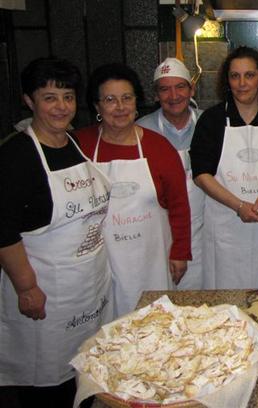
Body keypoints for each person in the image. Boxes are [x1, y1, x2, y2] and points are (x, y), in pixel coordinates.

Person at [0, 57, 111, 407]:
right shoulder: (17, 156)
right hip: (46, 293)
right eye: (49, 98)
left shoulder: (74, 144)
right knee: (50, 385)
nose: (61, 107)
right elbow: (3, 230)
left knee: (85, 373)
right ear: (29, 101)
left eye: (67, 96)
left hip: (87, 289)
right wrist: (27, 286)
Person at [76, 63, 191, 317]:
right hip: (100, 258)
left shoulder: (159, 148)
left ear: (136, 102)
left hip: (150, 258)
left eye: (127, 98)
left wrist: (180, 252)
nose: (120, 107)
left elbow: (179, 206)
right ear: (97, 106)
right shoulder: (79, 146)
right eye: (110, 99)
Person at [190, 46, 258, 289]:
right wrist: (238, 205)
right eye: (235, 76)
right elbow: (201, 174)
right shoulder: (212, 120)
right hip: (226, 226)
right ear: (227, 81)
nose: (242, 83)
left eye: (249, 75)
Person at [137, 58, 204, 290]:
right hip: (160, 231)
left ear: (192, 89)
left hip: (204, 229)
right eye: (165, 89)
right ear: (156, 95)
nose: (173, 95)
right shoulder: (141, 130)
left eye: (180, 87)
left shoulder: (209, 123)